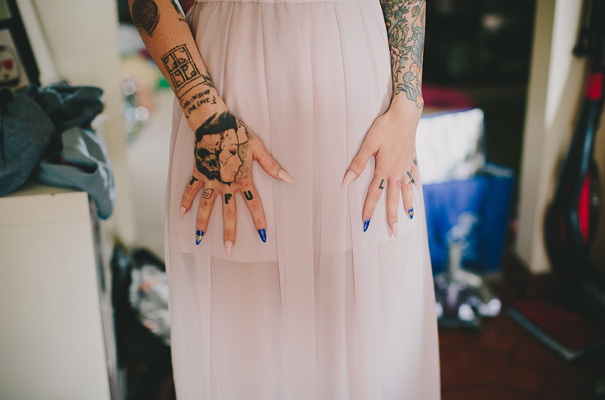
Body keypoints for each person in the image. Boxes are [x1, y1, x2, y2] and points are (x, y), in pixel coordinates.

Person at [129, 0, 440, 398]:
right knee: (247, 336)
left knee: (370, 324)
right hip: (230, 95)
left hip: (363, 98)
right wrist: (206, 115)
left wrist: (408, 104)